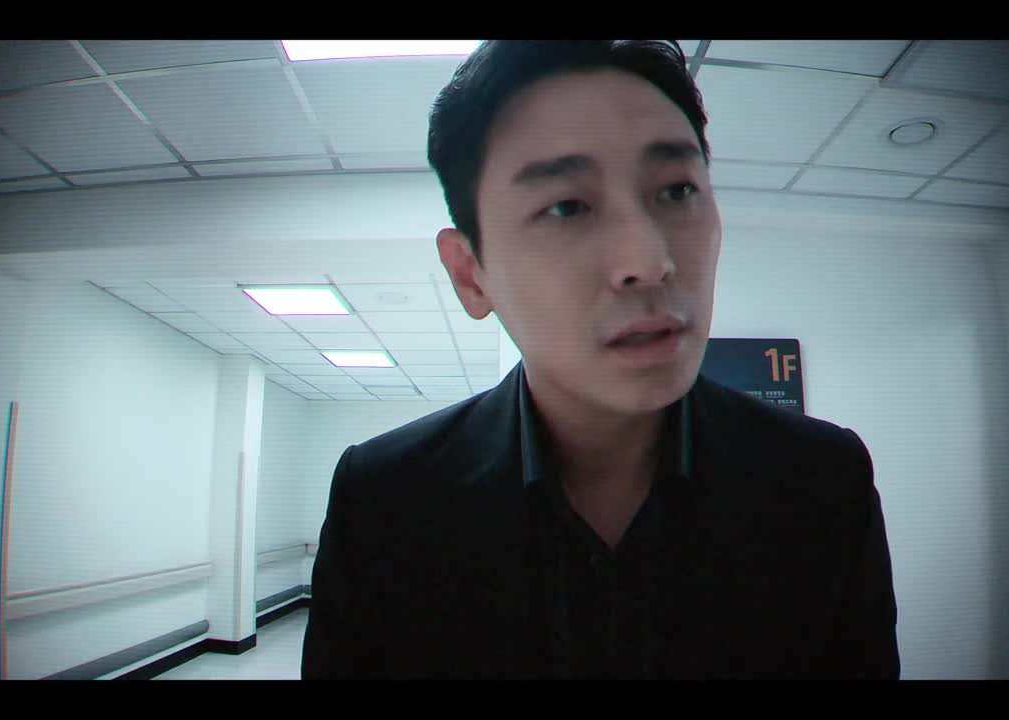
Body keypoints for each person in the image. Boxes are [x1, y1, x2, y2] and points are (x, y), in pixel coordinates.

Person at [301, 40, 899, 679]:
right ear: (471, 274)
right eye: (567, 207)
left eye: (677, 190)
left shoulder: (823, 484)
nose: (649, 261)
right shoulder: (385, 501)